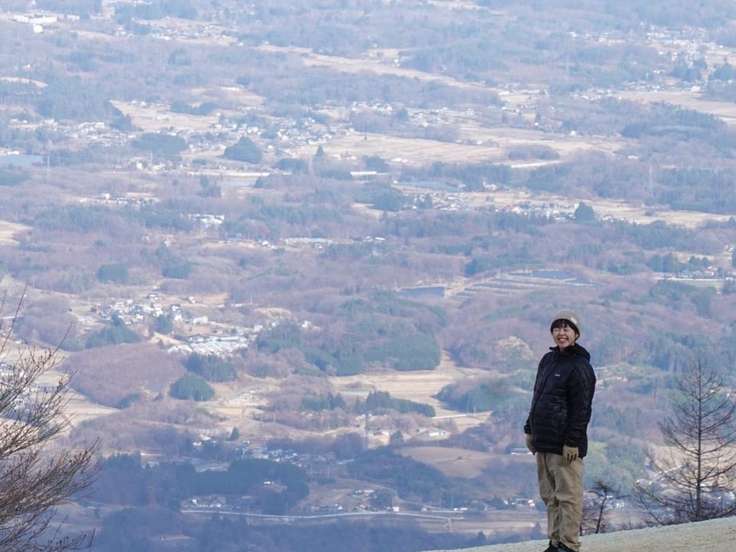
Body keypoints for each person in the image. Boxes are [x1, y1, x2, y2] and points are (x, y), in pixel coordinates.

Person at [524, 311, 596, 552]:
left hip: (565, 445)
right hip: (543, 441)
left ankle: (568, 545)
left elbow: (582, 409)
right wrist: (529, 430)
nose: (561, 333)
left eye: (567, 329)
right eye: (557, 328)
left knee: (568, 497)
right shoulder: (548, 360)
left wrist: (572, 442)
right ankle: (555, 543)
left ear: (576, 334)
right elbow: (538, 398)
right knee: (550, 496)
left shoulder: (580, 367)